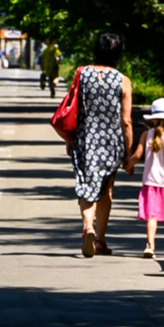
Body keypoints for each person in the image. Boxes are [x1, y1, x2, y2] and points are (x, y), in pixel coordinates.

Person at [65, 31, 133, 257]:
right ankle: (100, 240)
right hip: (111, 143)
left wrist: (69, 138)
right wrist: (129, 152)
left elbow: (71, 108)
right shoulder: (123, 81)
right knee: (106, 190)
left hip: (85, 140)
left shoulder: (82, 74)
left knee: (86, 185)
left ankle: (88, 227)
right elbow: (126, 120)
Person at [129, 98, 164, 259]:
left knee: (152, 215)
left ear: (153, 118)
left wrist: (128, 165)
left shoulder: (147, 135)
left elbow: (138, 155)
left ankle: (150, 246)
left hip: (151, 182)